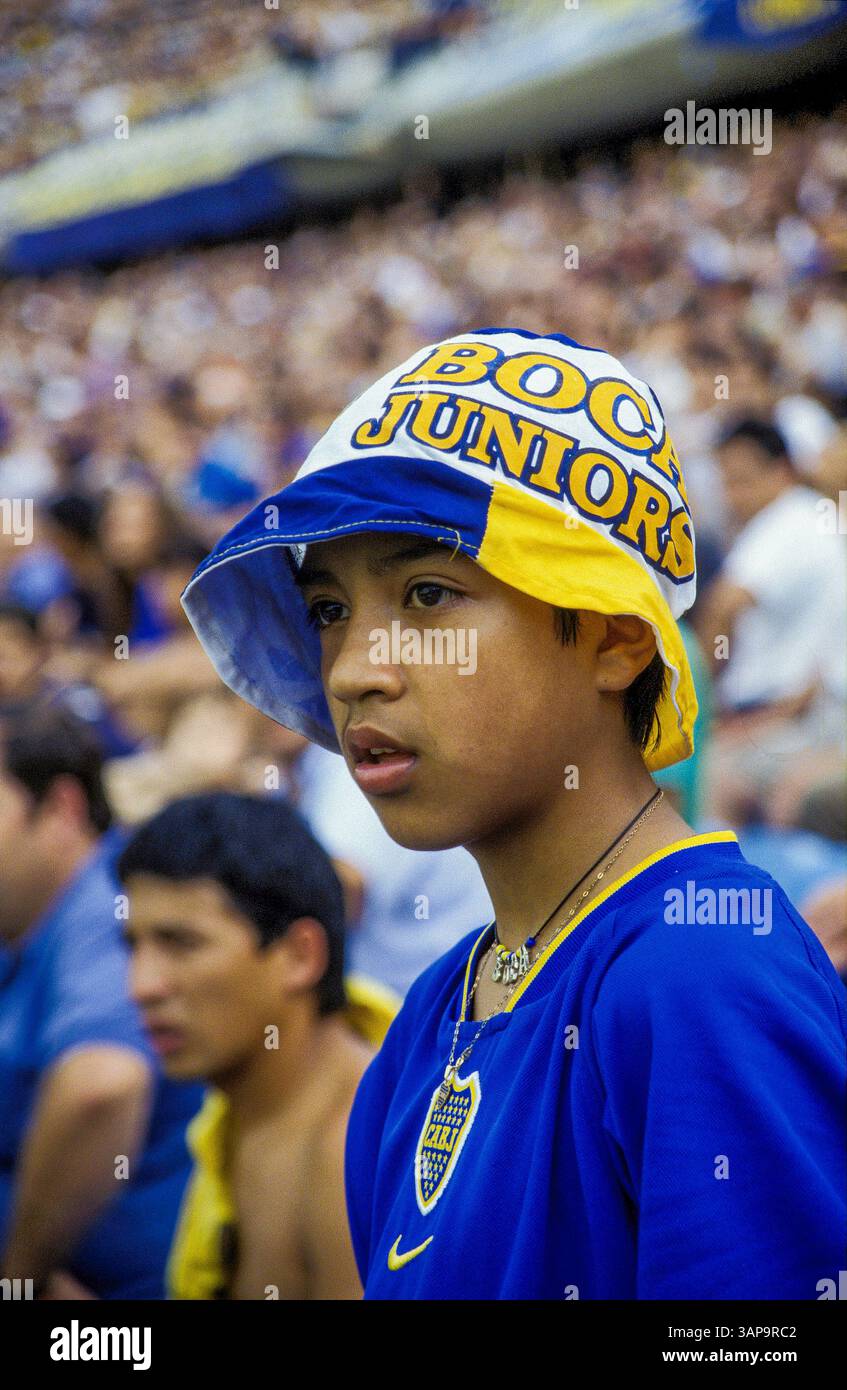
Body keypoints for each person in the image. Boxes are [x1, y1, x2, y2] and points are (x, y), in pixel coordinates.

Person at [181, 328, 846, 1299]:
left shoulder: (699, 976)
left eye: (427, 594)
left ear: (615, 640)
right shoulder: (430, 1014)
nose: (356, 670)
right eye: (327, 610)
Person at [116, 791, 399, 1299]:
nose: (142, 985)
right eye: (133, 945)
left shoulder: (350, 1153)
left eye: (181, 943)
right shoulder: (250, 1106)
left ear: (298, 955)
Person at [0, 705, 203, 1299]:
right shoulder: (27, 918)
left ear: (61, 809)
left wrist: (19, 1279)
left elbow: (102, 1086)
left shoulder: (111, 904)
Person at [697, 417, 847, 822]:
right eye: (725, 482)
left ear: (782, 471)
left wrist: (695, 699)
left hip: (792, 725)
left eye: (743, 481)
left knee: (701, 779)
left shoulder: (792, 516)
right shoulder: (810, 517)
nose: (732, 495)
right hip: (787, 717)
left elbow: (724, 603)